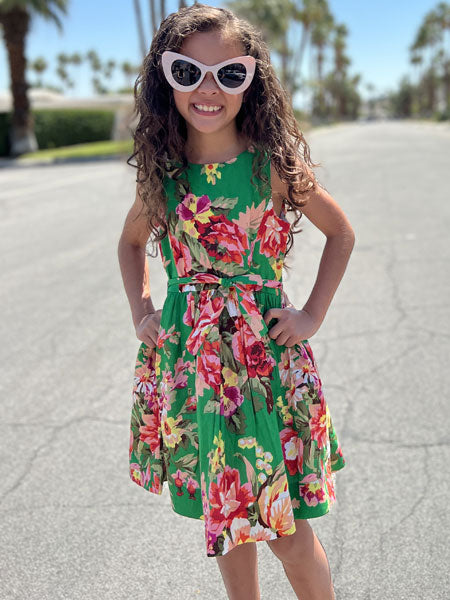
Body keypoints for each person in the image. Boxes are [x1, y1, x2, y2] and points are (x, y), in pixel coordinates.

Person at [118, 4, 355, 600]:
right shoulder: (165, 176)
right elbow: (129, 243)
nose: (207, 89)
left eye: (229, 74)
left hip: (262, 368)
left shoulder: (271, 166)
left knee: (286, 531)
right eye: (187, 72)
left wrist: (310, 315)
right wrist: (142, 311)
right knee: (230, 524)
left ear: (251, 82)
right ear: (163, 80)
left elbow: (341, 232)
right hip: (195, 369)